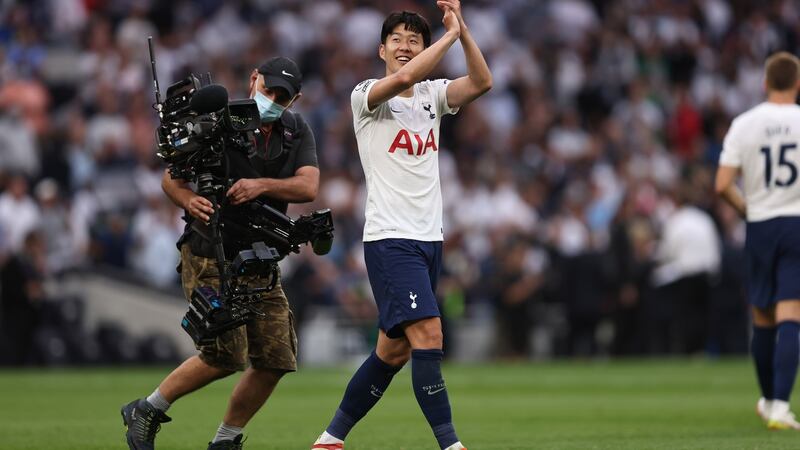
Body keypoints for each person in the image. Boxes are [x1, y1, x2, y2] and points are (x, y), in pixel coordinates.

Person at [311, 2, 491, 449]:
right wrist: (447, 37)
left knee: (392, 352)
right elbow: (407, 79)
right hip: (391, 239)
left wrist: (462, 31)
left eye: (415, 40)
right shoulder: (367, 95)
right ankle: (451, 445)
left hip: (430, 238)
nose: (406, 47)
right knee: (430, 333)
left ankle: (330, 440)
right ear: (381, 50)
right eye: (398, 40)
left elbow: (484, 82)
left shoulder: (433, 96)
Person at [121, 56, 319, 449]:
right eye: (268, 89)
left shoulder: (296, 130)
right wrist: (188, 199)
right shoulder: (214, 120)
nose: (273, 99)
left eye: (283, 95)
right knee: (225, 354)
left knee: (276, 358)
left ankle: (224, 441)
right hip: (211, 251)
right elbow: (171, 178)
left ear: (294, 100)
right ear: (253, 79)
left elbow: (308, 187)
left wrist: (259, 186)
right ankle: (148, 408)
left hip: (261, 255)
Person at [715, 51, 800, 430]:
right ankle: (780, 405)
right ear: (797, 84)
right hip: (797, 222)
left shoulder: (744, 124)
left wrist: (746, 208)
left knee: (763, 316)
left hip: (761, 224)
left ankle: (768, 400)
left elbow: (721, 185)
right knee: (791, 313)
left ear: (765, 83)